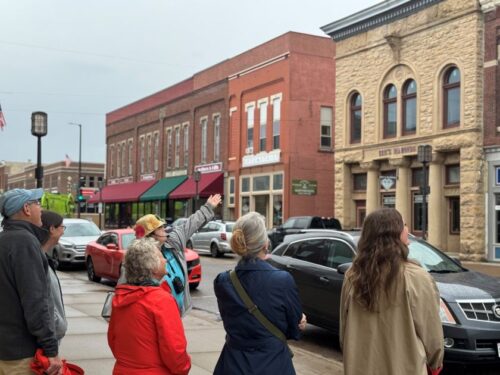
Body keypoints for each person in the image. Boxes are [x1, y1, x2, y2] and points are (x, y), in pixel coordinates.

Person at [340, 208, 444, 375]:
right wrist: (435, 364)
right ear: (395, 233)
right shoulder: (416, 277)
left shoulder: (353, 275)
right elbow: (432, 335)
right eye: (404, 225)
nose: (407, 229)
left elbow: (344, 329)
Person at [213, 212, 306, 375]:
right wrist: (300, 320)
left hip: (232, 364)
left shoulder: (223, 281)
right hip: (273, 364)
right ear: (265, 244)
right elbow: (294, 331)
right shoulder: (282, 280)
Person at [120, 193, 222, 317]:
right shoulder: (135, 259)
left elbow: (191, 224)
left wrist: (208, 207)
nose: (165, 230)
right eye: (160, 228)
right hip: (152, 315)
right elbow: (123, 291)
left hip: (177, 313)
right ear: (151, 235)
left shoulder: (173, 240)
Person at [0, 188, 63, 375]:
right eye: (37, 203)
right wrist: (51, 349)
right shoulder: (25, 242)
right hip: (22, 355)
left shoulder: (4, 240)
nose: (41, 209)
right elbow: (35, 300)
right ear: (26, 209)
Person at [108, 237, 191, 375]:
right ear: (152, 267)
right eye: (161, 256)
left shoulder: (120, 298)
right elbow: (174, 349)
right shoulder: (160, 300)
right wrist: (184, 367)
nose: (165, 260)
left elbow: (113, 340)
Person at [40, 211, 68, 346]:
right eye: (62, 227)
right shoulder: (37, 261)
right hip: (48, 340)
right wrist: (57, 325)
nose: (63, 232)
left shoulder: (43, 258)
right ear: (52, 229)